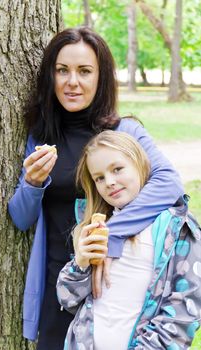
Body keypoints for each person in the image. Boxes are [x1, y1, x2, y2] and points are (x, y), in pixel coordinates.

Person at [8, 26, 184, 349]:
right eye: (62, 70)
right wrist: (32, 183)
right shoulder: (41, 136)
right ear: (51, 76)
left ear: (100, 78)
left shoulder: (124, 131)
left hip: (114, 291)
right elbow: (21, 219)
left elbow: (169, 184)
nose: (72, 82)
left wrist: (109, 237)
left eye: (84, 71)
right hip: (58, 289)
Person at [57, 130, 201, 350]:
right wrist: (81, 262)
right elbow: (68, 298)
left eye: (117, 169)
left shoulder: (175, 227)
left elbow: (185, 308)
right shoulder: (98, 226)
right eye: (100, 178)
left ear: (140, 164)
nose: (110, 182)